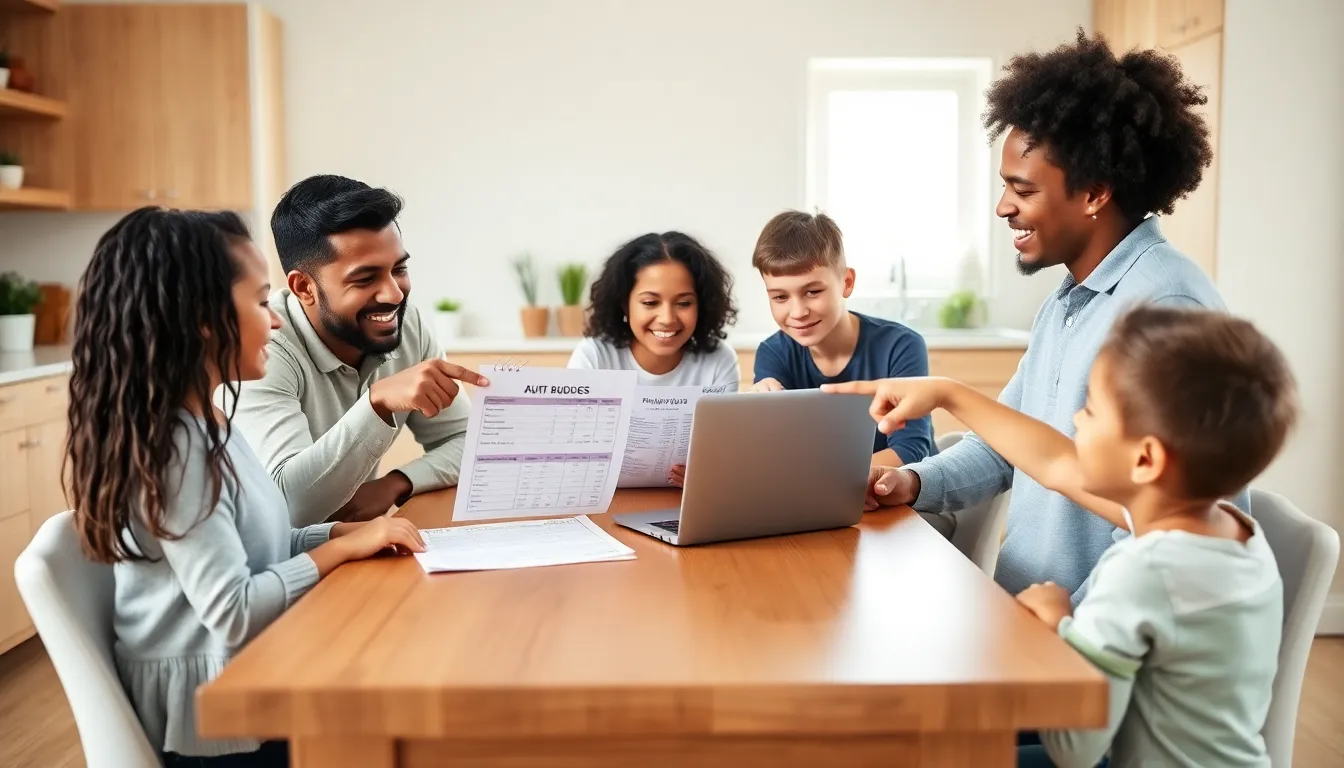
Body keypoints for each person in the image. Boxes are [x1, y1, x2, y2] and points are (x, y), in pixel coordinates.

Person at [826, 304, 1295, 768]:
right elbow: (1056, 462)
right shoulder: (1238, 533)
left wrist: (1060, 626)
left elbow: (1074, 750)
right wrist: (948, 395)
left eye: (1089, 410)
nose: (1074, 423)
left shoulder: (1141, 571)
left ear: (1146, 460)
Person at [865, 30, 1244, 603]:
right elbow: (1004, 444)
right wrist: (912, 482)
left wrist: (1073, 629)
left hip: (1090, 647)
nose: (1003, 207)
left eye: (1022, 189)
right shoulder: (1068, 301)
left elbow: (1175, 532)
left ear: (1094, 193)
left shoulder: (1167, 313)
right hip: (1032, 620)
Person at [66, 207, 426, 767]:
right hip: (215, 721)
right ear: (204, 319)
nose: (278, 321)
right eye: (261, 303)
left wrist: (343, 531)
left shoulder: (210, 422)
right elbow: (232, 609)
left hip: (245, 675)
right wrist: (337, 549)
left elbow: (261, 545)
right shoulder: (177, 451)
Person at [229, 174, 488, 527]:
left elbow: (469, 443)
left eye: (399, 269)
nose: (394, 294)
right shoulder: (262, 349)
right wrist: (377, 402)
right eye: (366, 279)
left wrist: (396, 484)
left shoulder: (405, 324)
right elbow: (289, 507)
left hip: (354, 548)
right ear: (304, 287)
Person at [748, 209, 935, 468]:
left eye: (813, 291)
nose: (798, 312)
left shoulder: (900, 346)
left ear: (846, 282)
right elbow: (777, 458)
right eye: (780, 297)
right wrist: (757, 418)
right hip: (821, 500)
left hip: (907, 499)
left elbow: (910, 450)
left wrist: (825, 478)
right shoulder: (773, 353)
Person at [568, 231, 740, 486]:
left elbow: (723, 454)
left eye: (683, 303)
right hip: (602, 501)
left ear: (701, 305)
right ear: (625, 305)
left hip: (682, 502)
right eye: (650, 302)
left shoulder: (719, 361)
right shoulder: (594, 356)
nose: (667, 318)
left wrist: (710, 471)